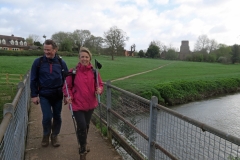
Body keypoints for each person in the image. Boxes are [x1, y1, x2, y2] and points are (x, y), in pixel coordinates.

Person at [63, 47, 103, 159]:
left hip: (90, 104)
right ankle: (82, 150)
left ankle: (83, 142)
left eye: (86, 57)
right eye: (82, 57)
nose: (84, 59)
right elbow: (67, 87)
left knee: (86, 125)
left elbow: (100, 84)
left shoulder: (94, 72)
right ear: (79, 58)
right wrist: (68, 96)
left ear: (90, 58)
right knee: (81, 125)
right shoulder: (73, 72)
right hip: (77, 104)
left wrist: (99, 89)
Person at [30, 39, 68, 147]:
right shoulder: (38, 62)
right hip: (44, 94)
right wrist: (34, 95)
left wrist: (66, 95)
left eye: (49, 50)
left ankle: (55, 136)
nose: (46, 52)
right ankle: (46, 135)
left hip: (57, 94)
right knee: (47, 117)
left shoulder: (61, 62)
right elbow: (33, 79)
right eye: (45, 50)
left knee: (57, 116)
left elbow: (66, 80)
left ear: (55, 49)